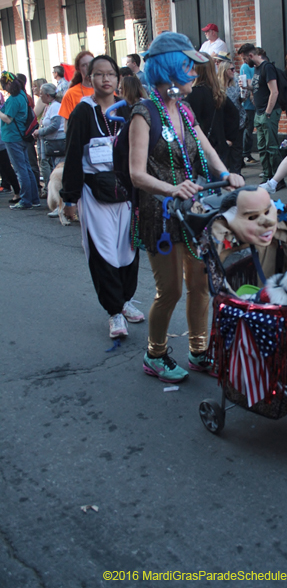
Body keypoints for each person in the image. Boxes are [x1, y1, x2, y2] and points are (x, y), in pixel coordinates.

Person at [128, 31, 244, 383]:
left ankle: (198, 350)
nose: (195, 73)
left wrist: (226, 173)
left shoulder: (185, 109)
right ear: (170, 69)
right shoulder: (143, 113)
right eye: (188, 67)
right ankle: (155, 354)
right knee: (171, 291)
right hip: (160, 215)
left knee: (200, 283)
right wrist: (172, 188)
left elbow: (207, 149)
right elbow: (136, 174)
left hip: (192, 212)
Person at [61, 55, 144, 339]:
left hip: (126, 192)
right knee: (103, 252)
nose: (106, 79)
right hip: (94, 194)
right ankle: (114, 312)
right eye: (99, 74)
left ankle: (125, 300)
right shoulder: (83, 112)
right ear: (89, 78)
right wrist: (69, 199)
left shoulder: (130, 109)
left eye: (110, 74)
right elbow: (73, 156)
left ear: (118, 79)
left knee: (129, 249)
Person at [186, 54, 242, 174]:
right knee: (214, 188)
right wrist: (228, 139)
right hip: (218, 148)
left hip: (200, 151)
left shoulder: (192, 94)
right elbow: (234, 115)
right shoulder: (217, 92)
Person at [237, 43, 282, 181]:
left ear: (251, 56)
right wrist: (247, 86)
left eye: (245, 59)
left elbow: (274, 91)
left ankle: (276, 178)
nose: (244, 63)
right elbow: (258, 87)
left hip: (268, 112)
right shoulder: (256, 69)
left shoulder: (267, 67)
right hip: (259, 112)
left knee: (272, 146)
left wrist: (268, 112)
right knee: (262, 147)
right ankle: (267, 175)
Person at [0, 71, 40, 210]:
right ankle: (34, 198)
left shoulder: (14, 99)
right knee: (26, 168)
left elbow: (8, 119)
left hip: (12, 137)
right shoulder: (22, 95)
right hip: (21, 136)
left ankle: (26, 200)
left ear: (9, 84)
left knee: (20, 170)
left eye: (4, 85)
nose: (4, 88)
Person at [33, 83, 66, 197]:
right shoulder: (50, 106)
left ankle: (60, 200)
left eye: (41, 94)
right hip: (52, 143)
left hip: (58, 144)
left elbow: (55, 126)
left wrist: (40, 132)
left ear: (47, 95)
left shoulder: (55, 106)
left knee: (59, 173)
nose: (39, 96)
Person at [217, 59, 246, 172]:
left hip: (238, 119)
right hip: (224, 122)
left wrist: (244, 91)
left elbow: (241, 99)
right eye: (232, 69)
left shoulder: (236, 82)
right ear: (224, 71)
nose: (234, 71)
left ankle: (236, 172)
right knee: (224, 148)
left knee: (237, 148)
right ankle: (225, 172)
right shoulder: (218, 85)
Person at [58, 50, 94, 130]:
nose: (89, 67)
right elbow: (67, 127)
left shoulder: (106, 89)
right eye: (84, 65)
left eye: (91, 64)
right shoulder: (71, 94)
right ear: (78, 69)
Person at [238, 44, 257, 164]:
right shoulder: (245, 67)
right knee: (248, 129)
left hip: (254, 104)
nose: (243, 61)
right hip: (249, 105)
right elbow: (248, 85)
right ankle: (246, 154)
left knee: (250, 128)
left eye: (244, 58)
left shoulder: (255, 66)